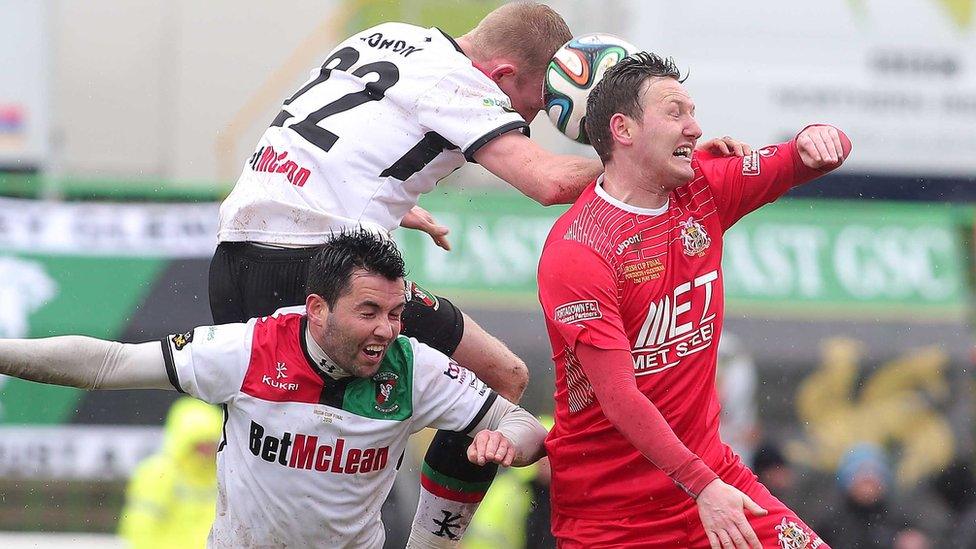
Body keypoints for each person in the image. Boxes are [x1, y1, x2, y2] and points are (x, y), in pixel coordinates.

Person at [208, 2, 745, 543]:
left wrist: (390, 204)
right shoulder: (464, 85)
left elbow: (335, 141)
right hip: (312, 269)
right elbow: (548, 182)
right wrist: (667, 163)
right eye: (536, 105)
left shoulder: (388, 36)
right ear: (504, 74)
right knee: (500, 377)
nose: (527, 123)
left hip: (233, 258)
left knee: (267, 435)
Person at [0, 230, 547, 548]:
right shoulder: (248, 349)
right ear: (316, 310)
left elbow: (518, 421)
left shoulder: (413, 367)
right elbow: (110, 362)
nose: (387, 329)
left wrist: (510, 444)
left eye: (397, 313)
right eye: (369, 312)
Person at [536, 52, 852, 548]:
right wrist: (703, 486)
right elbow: (620, 400)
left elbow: (805, 155)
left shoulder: (703, 188)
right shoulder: (579, 252)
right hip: (615, 516)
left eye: (692, 111)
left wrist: (819, 137)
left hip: (714, 480)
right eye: (675, 112)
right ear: (623, 129)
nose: (695, 126)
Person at [118, 397, 223, 549]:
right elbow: (140, 528)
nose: (207, 450)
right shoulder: (158, 473)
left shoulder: (221, 475)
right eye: (199, 442)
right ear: (183, 440)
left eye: (211, 442)